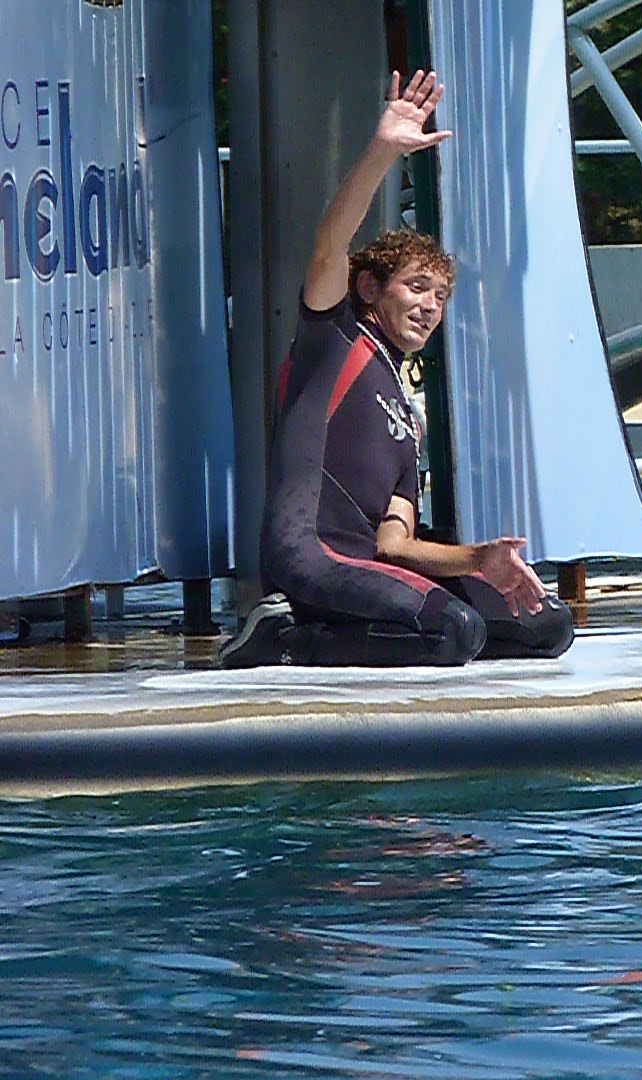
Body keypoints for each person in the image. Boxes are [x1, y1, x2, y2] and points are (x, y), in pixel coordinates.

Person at [220, 70, 574, 669]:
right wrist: (384, 152)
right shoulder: (334, 341)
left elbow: (394, 544)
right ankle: (282, 637)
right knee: (454, 632)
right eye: (416, 287)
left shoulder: (406, 419)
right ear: (369, 288)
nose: (430, 306)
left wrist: (478, 559)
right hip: (311, 556)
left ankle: (336, 628)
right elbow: (330, 247)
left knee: (546, 625)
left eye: (441, 296)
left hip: (370, 568)